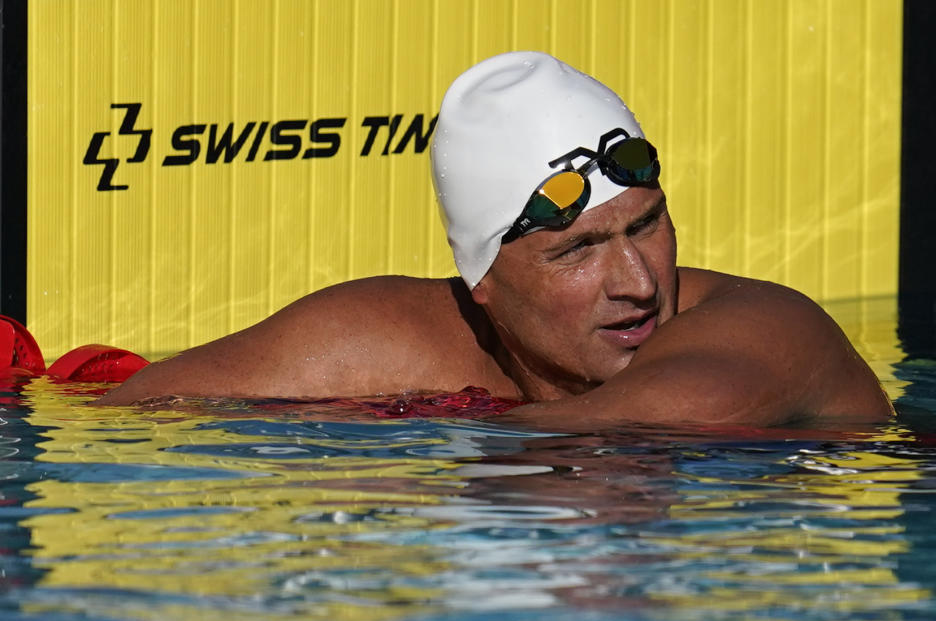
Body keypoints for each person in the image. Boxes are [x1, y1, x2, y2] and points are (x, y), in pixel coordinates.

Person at [99, 51, 893, 426]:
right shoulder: (391, 333)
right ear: (483, 278)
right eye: (576, 250)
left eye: (645, 225)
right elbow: (126, 415)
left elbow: (645, 429)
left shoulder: (768, 333)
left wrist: (383, 434)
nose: (639, 282)